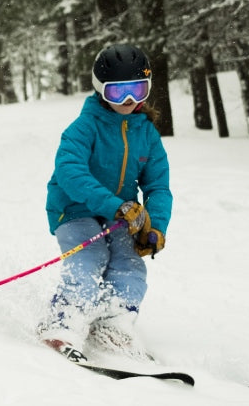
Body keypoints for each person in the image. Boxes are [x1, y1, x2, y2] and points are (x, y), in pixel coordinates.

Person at [38, 44, 172, 360]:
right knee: (91, 256)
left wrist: (155, 226)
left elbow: (158, 186)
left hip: (121, 215)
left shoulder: (147, 133)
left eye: (138, 90)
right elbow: (70, 173)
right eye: (118, 93)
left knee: (129, 262)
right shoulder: (83, 128)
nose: (129, 100)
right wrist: (113, 204)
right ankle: (63, 322)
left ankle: (114, 323)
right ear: (101, 91)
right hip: (74, 209)